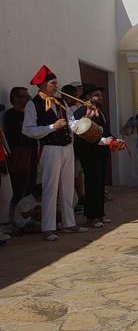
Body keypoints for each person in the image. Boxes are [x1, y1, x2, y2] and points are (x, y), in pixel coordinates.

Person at [22, 65, 88, 241]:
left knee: (68, 187)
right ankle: (48, 227)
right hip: (49, 149)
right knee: (50, 188)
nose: (56, 86)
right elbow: (27, 130)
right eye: (53, 83)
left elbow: (71, 124)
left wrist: (84, 116)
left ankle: (69, 223)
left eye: (56, 83)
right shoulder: (33, 103)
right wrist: (52, 127)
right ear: (43, 85)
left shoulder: (61, 102)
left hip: (67, 148)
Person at [72, 85, 116, 228]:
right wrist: (104, 141)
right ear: (88, 98)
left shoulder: (100, 112)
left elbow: (105, 131)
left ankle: (100, 214)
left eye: (100, 94)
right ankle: (91, 217)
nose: (100, 96)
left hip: (101, 152)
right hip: (89, 152)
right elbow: (82, 133)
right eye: (97, 94)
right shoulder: (81, 112)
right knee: (92, 183)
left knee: (100, 183)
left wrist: (114, 140)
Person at [4, 87, 39, 205]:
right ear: (16, 98)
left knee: (31, 185)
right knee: (20, 186)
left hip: (32, 153)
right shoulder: (10, 115)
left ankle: (28, 215)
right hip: (19, 154)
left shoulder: (30, 114)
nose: (28, 99)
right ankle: (16, 216)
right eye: (25, 96)